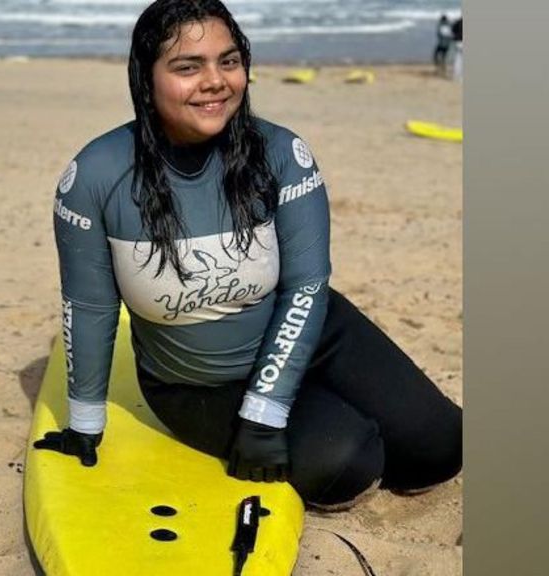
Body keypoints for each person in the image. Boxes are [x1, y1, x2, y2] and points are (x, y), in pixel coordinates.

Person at [33, 0, 462, 511]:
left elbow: (307, 284)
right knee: (344, 463)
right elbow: (90, 307)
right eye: (188, 67)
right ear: (145, 80)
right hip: (197, 382)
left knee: (440, 448)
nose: (215, 80)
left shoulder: (281, 154)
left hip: (312, 331)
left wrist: (267, 409)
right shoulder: (95, 177)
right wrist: (84, 423)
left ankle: (328, 403)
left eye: (229, 61)